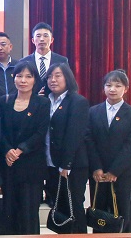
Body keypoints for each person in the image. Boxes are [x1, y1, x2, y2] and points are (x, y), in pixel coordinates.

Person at [86, 70, 131, 232]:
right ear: (103, 88)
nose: (112, 89)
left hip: (123, 172)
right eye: (109, 85)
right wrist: (96, 167)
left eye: (118, 85)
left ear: (126, 89)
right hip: (98, 173)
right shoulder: (93, 111)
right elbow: (88, 140)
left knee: (121, 212)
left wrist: (114, 171)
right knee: (99, 213)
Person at [0, 61, 50, 235]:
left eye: (28, 76)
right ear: (14, 78)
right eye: (19, 76)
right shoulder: (5, 101)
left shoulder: (43, 103)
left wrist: (19, 150)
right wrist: (7, 150)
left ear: (35, 80)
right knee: (9, 209)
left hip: (31, 165)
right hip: (9, 164)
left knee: (29, 212)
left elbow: (40, 132)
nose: (23, 80)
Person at [44, 63, 89, 233]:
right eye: (49, 76)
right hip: (51, 163)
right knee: (60, 207)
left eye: (58, 75)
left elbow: (74, 135)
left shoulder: (77, 101)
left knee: (74, 205)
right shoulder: (46, 100)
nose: (53, 80)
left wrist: (66, 164)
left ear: (67, 78)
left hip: (72, 166)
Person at [19, 22, 69, 95]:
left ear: (51, 40)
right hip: (31, 100)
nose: (42, 39)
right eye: (38, 36)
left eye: (45, 36)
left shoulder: (62, 61)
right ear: (33, 40)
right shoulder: (24, 62)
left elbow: (67, 84)